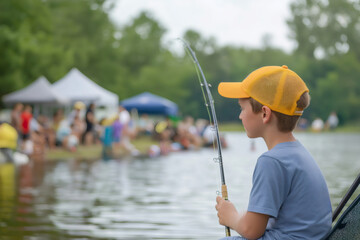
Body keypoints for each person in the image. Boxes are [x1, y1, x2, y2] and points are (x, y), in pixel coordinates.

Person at [215, 65, 332, 240]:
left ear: (264, 114)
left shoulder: (271, 161)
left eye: (242, 109)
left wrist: (230, 217)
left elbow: (251, 230)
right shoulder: (298, 153)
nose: (240, 116)